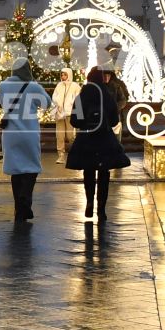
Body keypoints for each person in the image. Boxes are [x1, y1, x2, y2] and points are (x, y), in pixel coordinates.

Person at [68, 66, 132, 222]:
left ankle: (89, 201)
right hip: (104, 140)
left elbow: (74, 121)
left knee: (88, 171)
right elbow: (114, 120)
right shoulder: (107, 96)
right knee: (104, 173)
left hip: (86, 140)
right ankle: (101, 209)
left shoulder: (81, 97)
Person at [0, 60, 51, 222]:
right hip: (29, 132)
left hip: (10, 134)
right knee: (31, 168)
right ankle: (25, 200)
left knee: (15, 170)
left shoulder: (3, 86)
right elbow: (47, 103)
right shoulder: (33, 86)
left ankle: (19, 208)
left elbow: (1, 104)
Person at [50, 68, 80, 161]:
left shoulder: (75, 86)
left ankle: (75, 153)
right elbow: (54, 96)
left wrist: (71, 103)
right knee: (59, 135)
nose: (63, 77)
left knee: (70, 136)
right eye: (62, 75)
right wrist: (57, 103)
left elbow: (78, 97)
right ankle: (61, 155)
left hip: (69, 114)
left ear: (69, 75)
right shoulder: (59, 85)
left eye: (65, 75)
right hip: (59, 114)